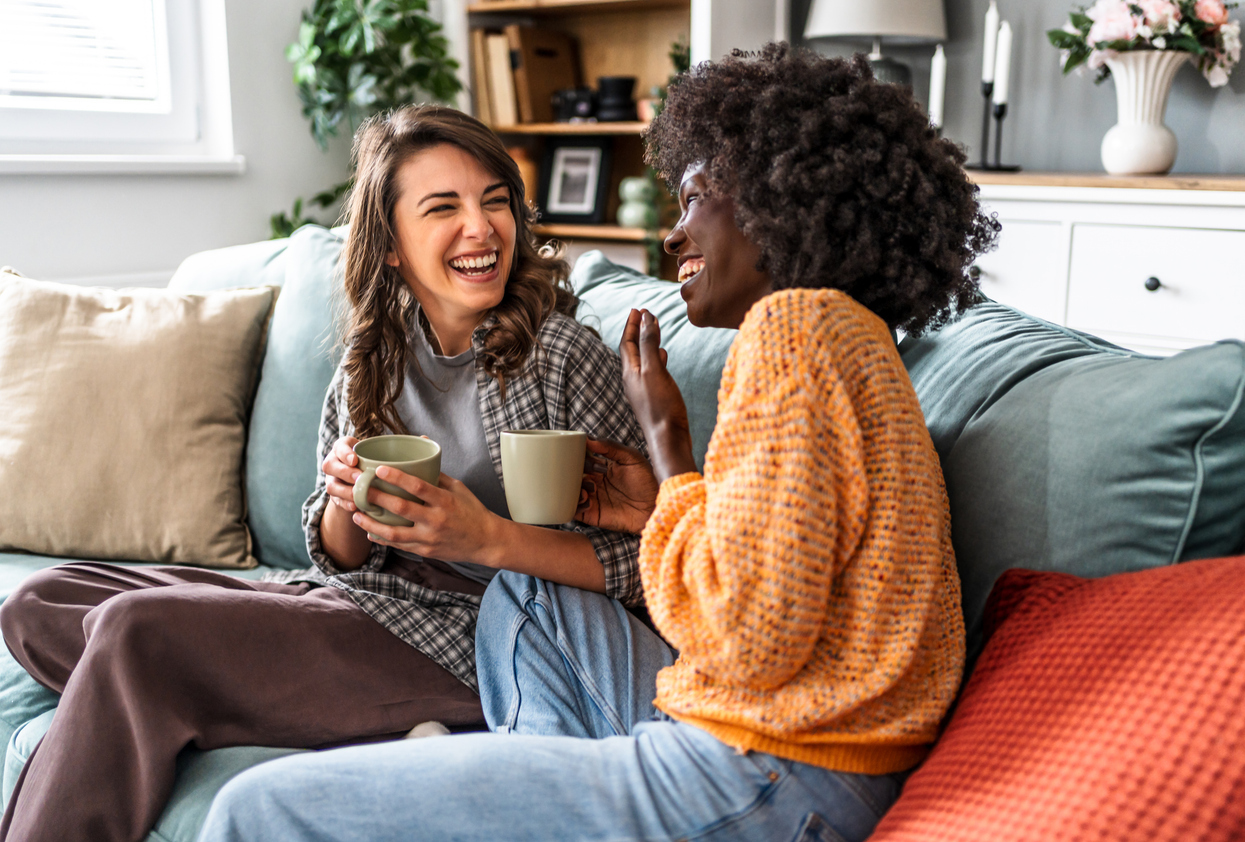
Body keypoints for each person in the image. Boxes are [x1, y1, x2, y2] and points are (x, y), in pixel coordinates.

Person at [197, 44, 999, 842]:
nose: (674, 237)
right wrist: (662, 505)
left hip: (775, 768)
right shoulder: (850, 338)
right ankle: (528, 775)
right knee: (526, 595)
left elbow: (748, 639)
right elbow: (785, 578)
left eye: (693, 201)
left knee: (253, 808)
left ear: (772, 204)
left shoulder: (792, 331)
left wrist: (670, 452)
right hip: (799, 749)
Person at [0, 105, 646, 842]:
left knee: (134, 630)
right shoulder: (374, 357)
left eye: (494, 200)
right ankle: (221, 691)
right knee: (38, 602)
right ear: (393, 245)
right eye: (444, 208)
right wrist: (345, 502)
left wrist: (484, 536)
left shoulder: (563, 354)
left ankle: (193, 683)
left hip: (470, 638)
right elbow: (336, 555)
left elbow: (643, 561)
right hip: (357, 601)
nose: (481, 227)